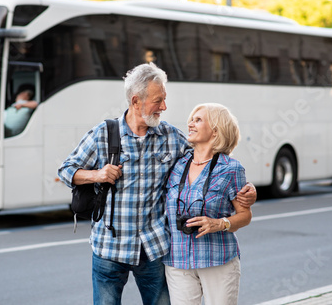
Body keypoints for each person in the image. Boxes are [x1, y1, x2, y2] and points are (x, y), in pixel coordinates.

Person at [57, 63, 256, 305]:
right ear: (136, 100)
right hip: (109, 248)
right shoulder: (103, 134)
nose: (164, 107)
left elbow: (210, 158)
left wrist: (246, 190)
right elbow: (66, 170)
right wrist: (96, 175)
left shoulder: (171, 137)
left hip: (153, 248)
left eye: (164, 99)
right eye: (157, 100)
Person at [163, 103, 252, 305]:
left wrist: (220, 223)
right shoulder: (177, 164)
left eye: (198, 119)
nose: (190, 124)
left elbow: (245, 215)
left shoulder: (231, 169)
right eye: (191, 119)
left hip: (217, 260)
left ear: (215, 130)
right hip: (177, 260)